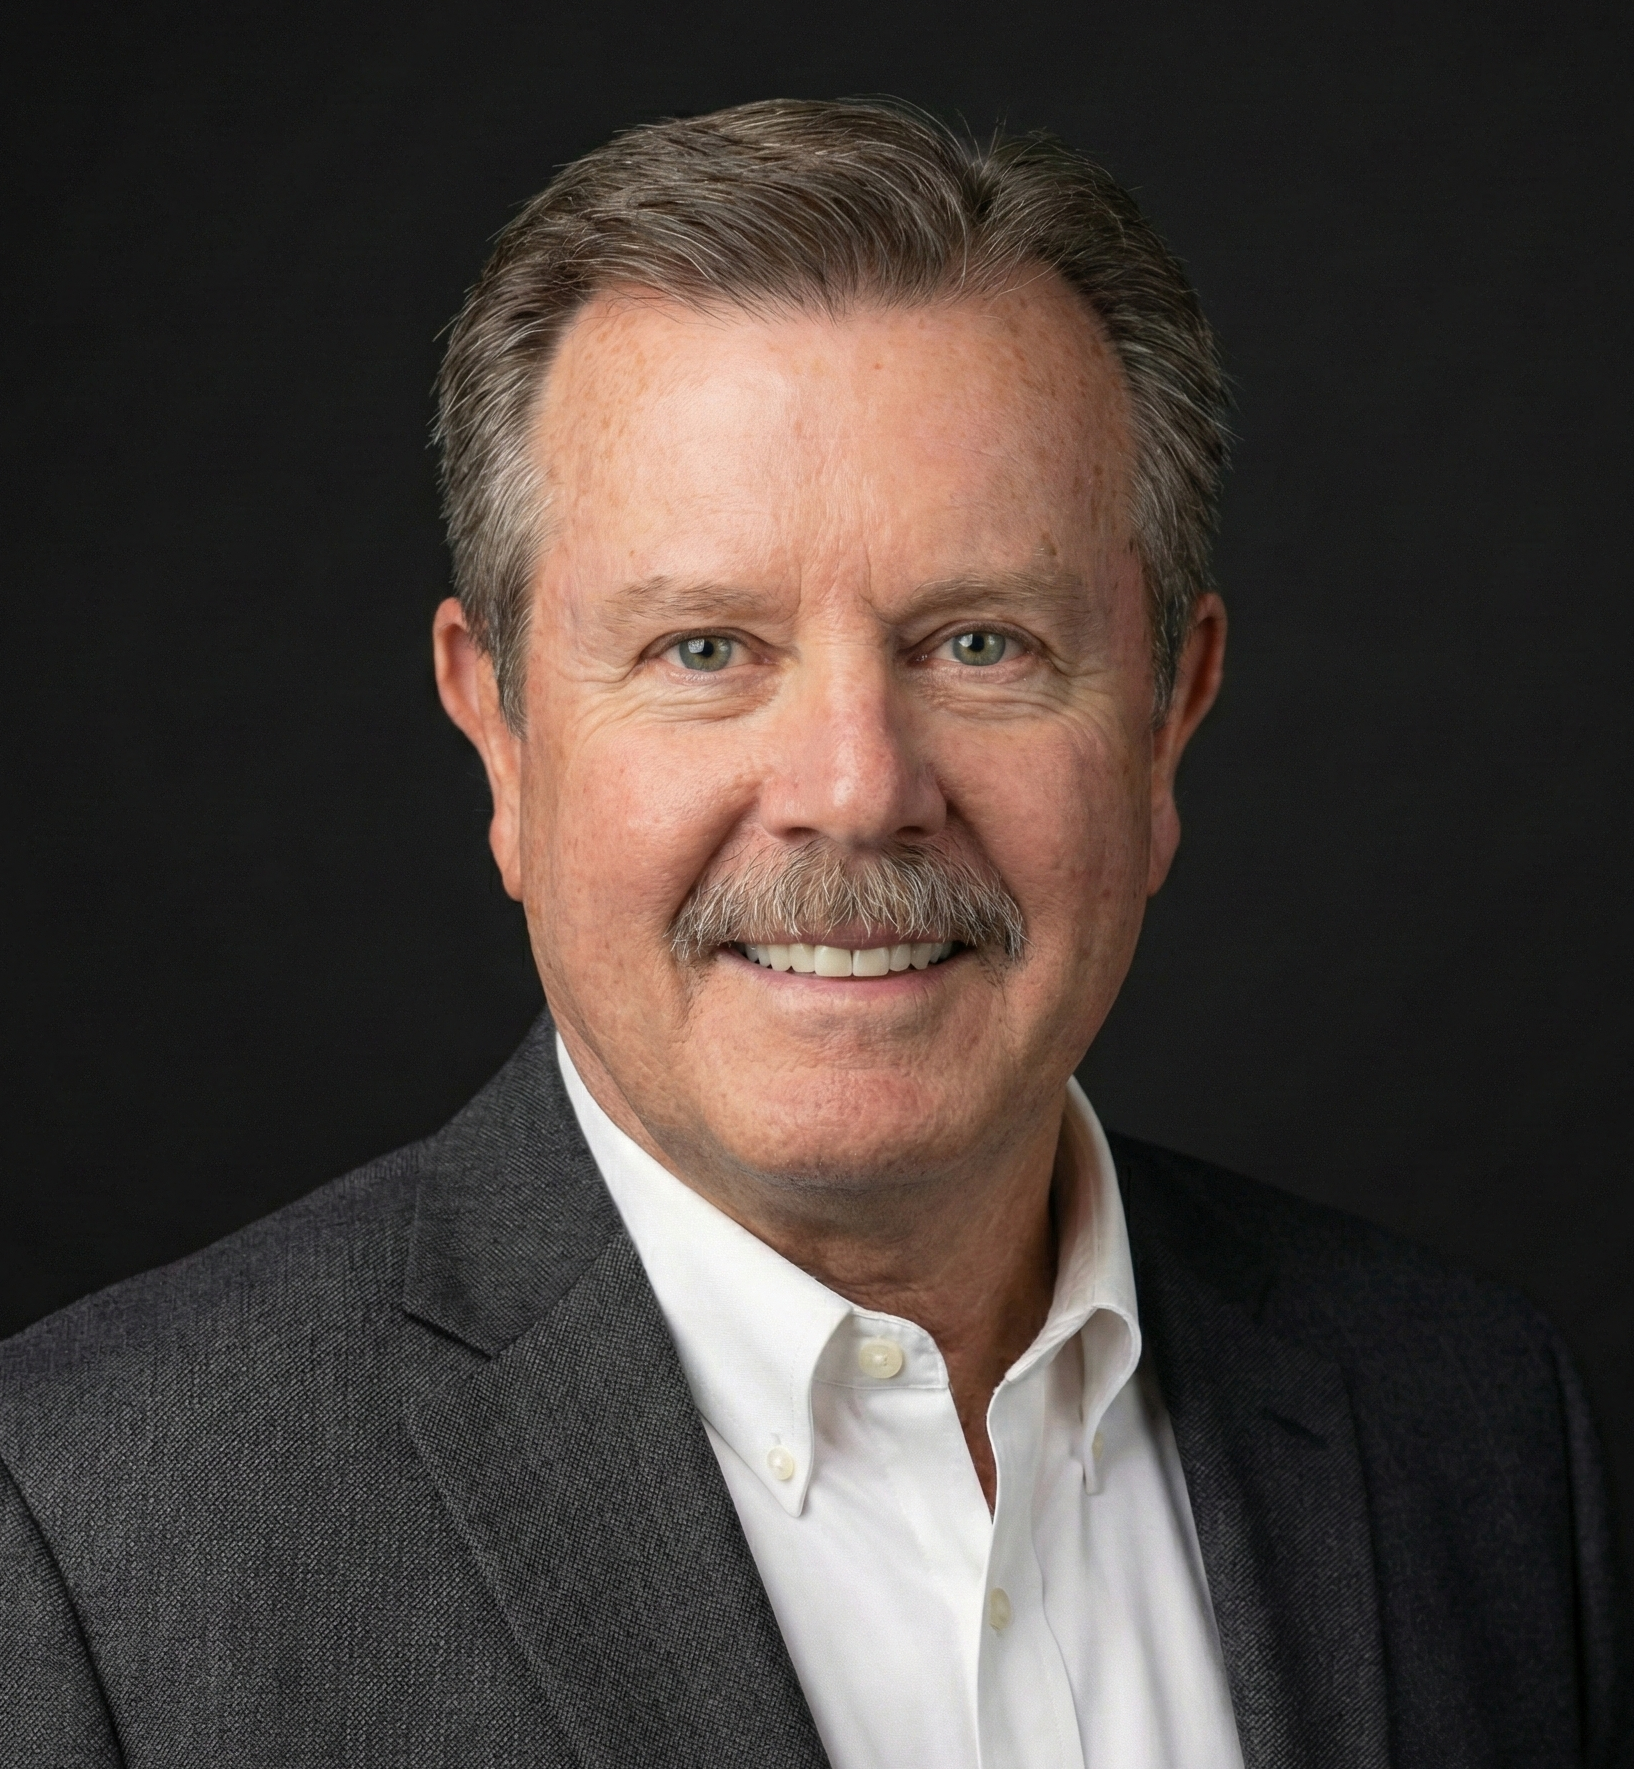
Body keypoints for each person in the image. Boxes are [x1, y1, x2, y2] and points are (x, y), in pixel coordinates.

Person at [1, 98, 1627, 1769]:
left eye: (980, 643)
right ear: (497, 734)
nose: (856, 789)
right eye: (706, 650)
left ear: (1166, 718)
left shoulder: (1467, 1419)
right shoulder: (85, 1535)